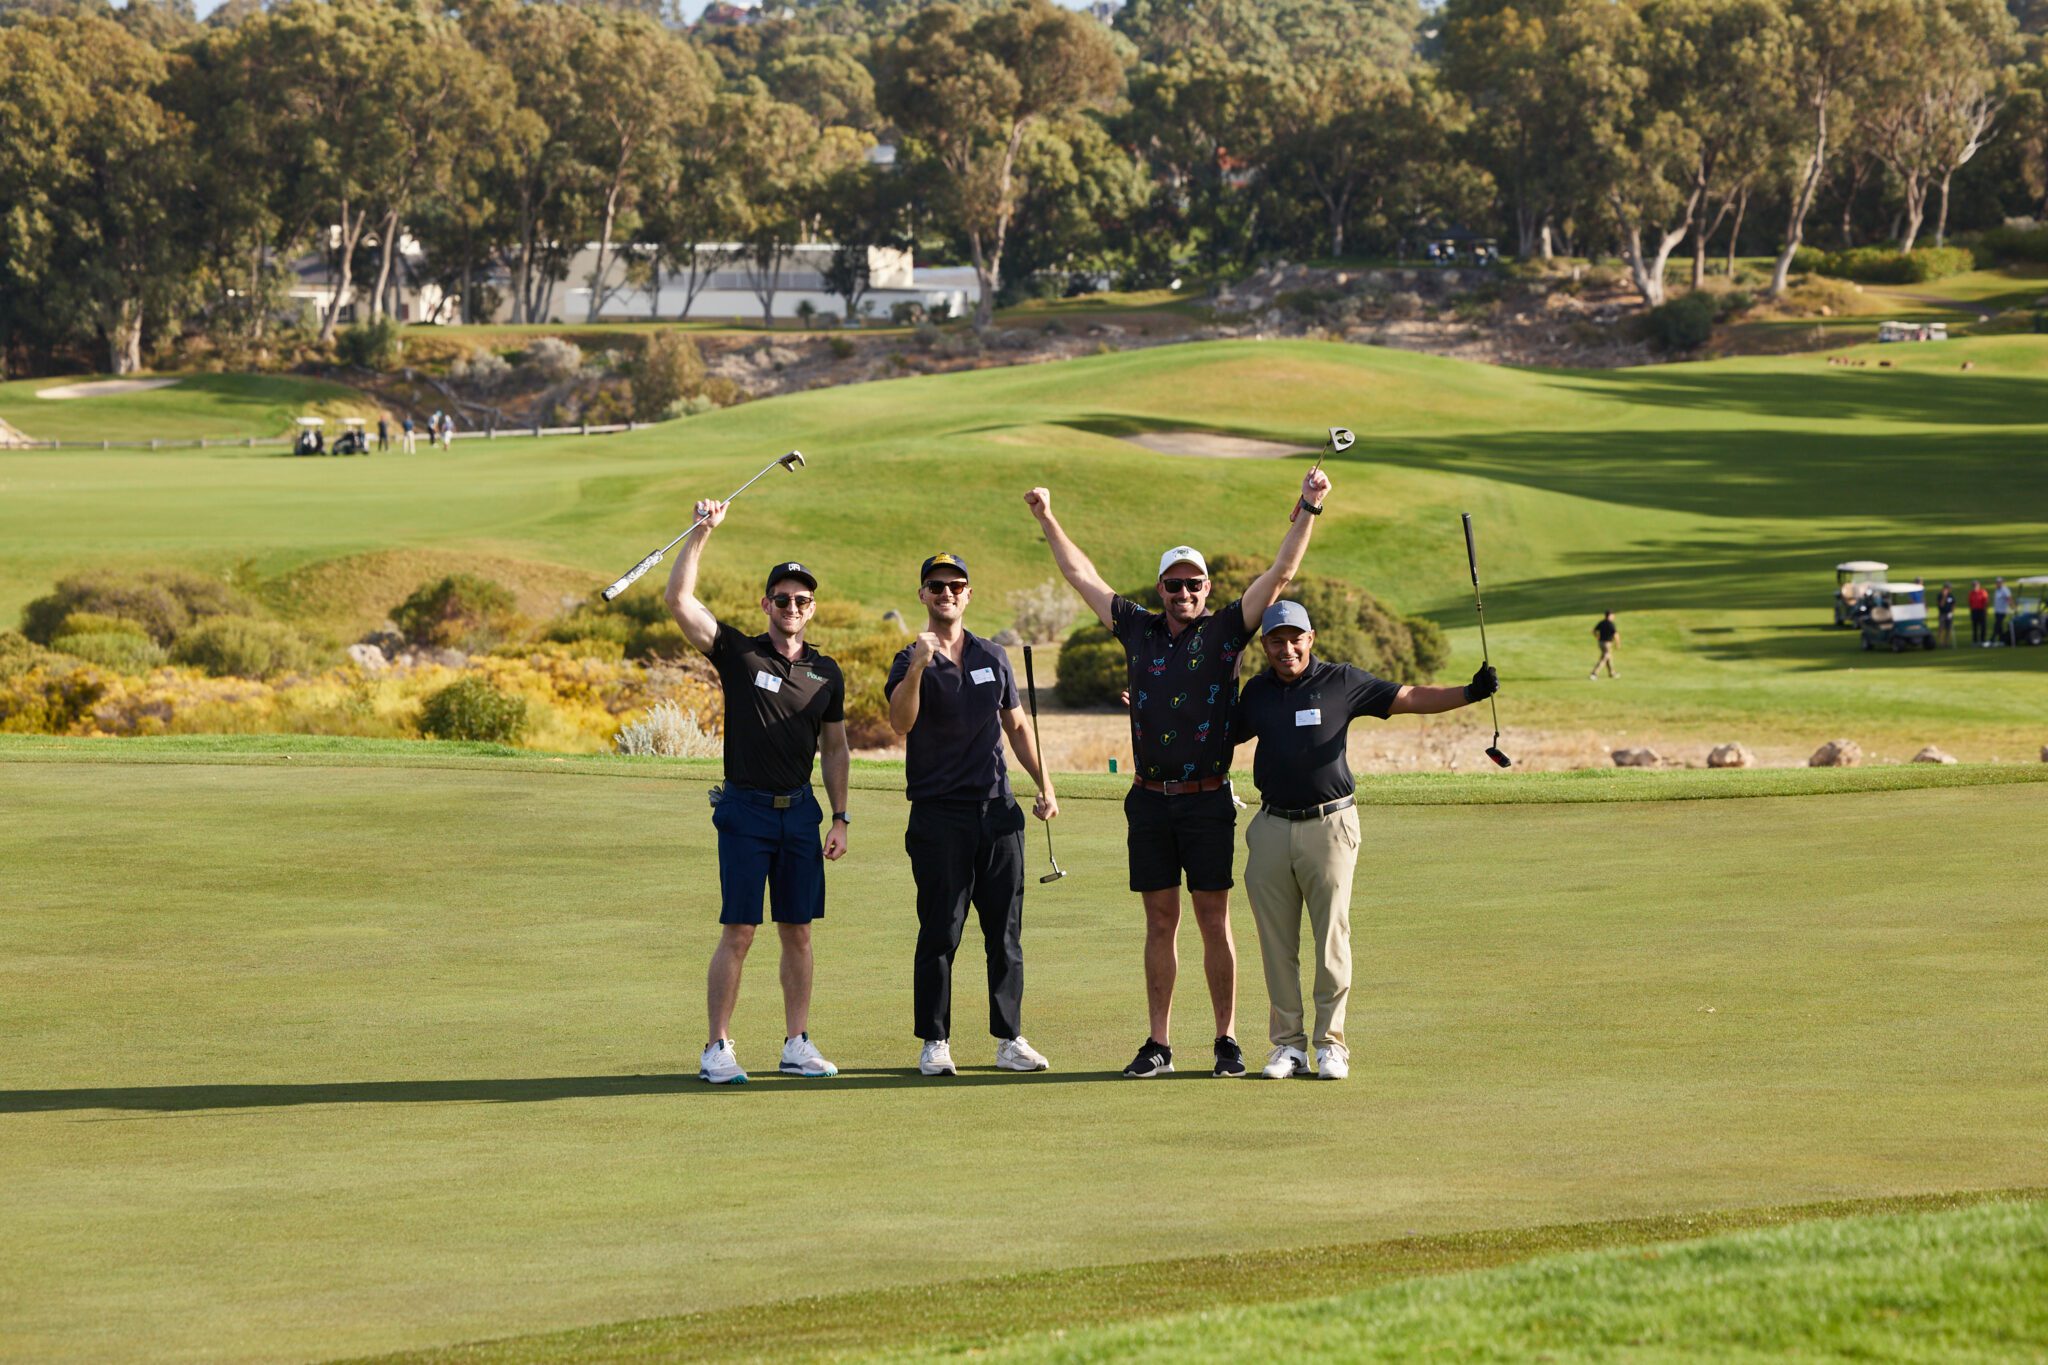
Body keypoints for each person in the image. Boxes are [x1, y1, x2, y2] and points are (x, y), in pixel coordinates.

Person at [1025, 467, 1332, 1080]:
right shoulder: (1136, 628)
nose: (1184, 592)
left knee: (1214, 921)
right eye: (1174, 584)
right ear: (1160, 588)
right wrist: (1047, 517)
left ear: (1207, 587)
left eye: (1194, 583)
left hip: (1207, 799)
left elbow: (1281, 574)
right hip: (1148, 800)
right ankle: (1159, 1045)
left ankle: (1226, 1041)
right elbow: (1081, 576)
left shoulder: (1226, 631)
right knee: (1159, 922)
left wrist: (1309, 505)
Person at [1235, 601, 1499, 1080]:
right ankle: (1288, 1047)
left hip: (1329, 826)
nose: (1287, 648)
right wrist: (1153, 714)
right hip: (1271, 826)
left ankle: (1330, 1045)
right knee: (1276, 945)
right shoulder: (1256, 693)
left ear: (1311, 639)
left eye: (1295, 639)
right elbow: (1215, 736)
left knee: (1331, 939)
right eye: (1276, 640)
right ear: (1265, 645)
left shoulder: (1341, 681)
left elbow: (1409, 696)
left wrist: (1469, 693)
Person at [663, 500, 851, 1085]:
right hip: (746, 810)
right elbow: (679, 602)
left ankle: (797, 1043)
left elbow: (836, 749)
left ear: (812, 608)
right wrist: (701, 533)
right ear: (766, 604)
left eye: (802, 600)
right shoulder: (739, 653)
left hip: (800, 813)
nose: (792, 608)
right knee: (740, 931)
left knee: (799, 932)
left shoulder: (826, 672)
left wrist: (841, 817)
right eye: (782, 599)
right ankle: (716, 1047)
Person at [886, 553, 1058, 1077]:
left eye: (956, 585)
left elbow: (1017, 727)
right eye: (937, 585)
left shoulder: (992, 655)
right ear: (923, 594)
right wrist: (920, 665)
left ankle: (1009, 1039)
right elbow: (900, 722)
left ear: (968, 594)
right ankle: (935, 1041)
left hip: (998, 811)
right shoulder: (908, 658)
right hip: (939, 814)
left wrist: (1045, 784)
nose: (947, 593)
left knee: (1005, 933)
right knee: (941, 930)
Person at [1589, 610, 1618, 679]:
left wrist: (1597, 637)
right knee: (1604, 658)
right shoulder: (1611, 624)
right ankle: (1594, 673)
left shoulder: (1602, 622)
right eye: (1613, 615)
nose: (1614, 617)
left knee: (1609, 658)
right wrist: (1617, 643)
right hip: (1607, 644)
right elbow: (1616, 634)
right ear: (1609, 616)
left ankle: (1612, 673)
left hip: (1600, 643)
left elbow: (1593, 631)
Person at [1992, 577, 2013, 646]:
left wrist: (2012, 607)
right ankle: (2002, 640)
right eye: (1997, 582)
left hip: (2002, 611)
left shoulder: (2005, 590)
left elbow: (2009, 598)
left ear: (2002, 582)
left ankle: (1992, 639)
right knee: (2000, 626)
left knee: (1997, 625)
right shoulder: (1997, 590)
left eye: (1999, 582)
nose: (1998, 583)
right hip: (1997, 611)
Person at [1969, 580, 1989, 646]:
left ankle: (1983, 640)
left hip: (1981, 610)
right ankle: (1975, 641)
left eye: (1976, 585)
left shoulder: (1983, 592)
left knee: (1983, 626)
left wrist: (1985, 611)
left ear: (1979, 585)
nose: (1974, 586)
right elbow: (1970, 602)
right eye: (1973, 585)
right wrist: (1971, 611)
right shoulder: (1971, 593)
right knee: (1974, 627)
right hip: (1974, 611)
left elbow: (1986, 601)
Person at [1936, 583, 1956, 648]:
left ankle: (1946, 642)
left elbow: (1953, 604)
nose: (1948, 589)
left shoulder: (1951, 596)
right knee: (1941, 628)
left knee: (1948, 628)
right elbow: (1941, 605)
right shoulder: (1940, 596)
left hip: (1949, 614)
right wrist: (1944, 596)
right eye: (1947, 588)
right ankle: (1941, 642)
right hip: (1942, 614)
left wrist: (1951, 612)